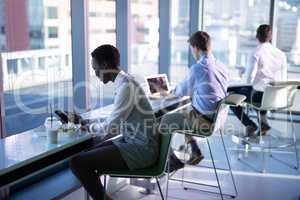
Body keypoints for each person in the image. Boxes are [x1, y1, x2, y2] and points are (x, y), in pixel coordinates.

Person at [69, 45, 159, 200]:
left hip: (141, 149)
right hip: (134, 142)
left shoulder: (126, 87)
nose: (95, 73)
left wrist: (86, 126)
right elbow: (114, 118)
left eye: (95, 68)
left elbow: (111, 127)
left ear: (105, 65)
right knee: (84, 156)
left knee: (77, 162)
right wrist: (86, 121)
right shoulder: (126, 82)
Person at [162, 31, 229, 170]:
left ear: (195, 48)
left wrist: (168, 93)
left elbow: (180, 92)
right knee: (188, 111)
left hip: (205, 122)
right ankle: (194, 150)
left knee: (166, 120)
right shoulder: (222, 67)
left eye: (192, 49)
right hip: (219, 119)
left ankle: (173, 161)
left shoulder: (198, 68)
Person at [228, 24, 287, 137]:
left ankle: (249, 124)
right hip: (278, 97)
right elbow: (282, 78)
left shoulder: (256, 53)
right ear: (270, 37)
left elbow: (249, 80)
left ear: (257, 36)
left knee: (231, 95)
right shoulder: (281, 54)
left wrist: (243, 74)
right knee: (259, 91)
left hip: (261, 97)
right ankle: (263, 123)